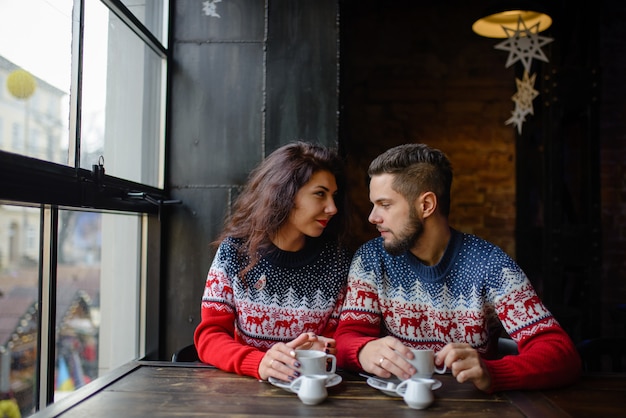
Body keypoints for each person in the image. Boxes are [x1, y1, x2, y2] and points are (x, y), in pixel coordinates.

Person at [334, 143, 581, 393]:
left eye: (385, 205)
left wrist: (493, 372)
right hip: (392, 405)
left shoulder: (490, 265)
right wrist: (363, 350)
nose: (372, 217)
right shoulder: (371, 258)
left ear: (426, 205)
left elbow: (561, 355)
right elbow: (347, 337)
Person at [194, 141, 353, 383]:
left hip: (310, 391)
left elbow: (338, 340)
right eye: (320, 194)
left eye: (333, 196)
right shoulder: (234, 252)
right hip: (244, 390)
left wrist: (327, 349)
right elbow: (210, 336)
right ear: (285, 194)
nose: (332, 208)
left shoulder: (337, 261)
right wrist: (258, 362)